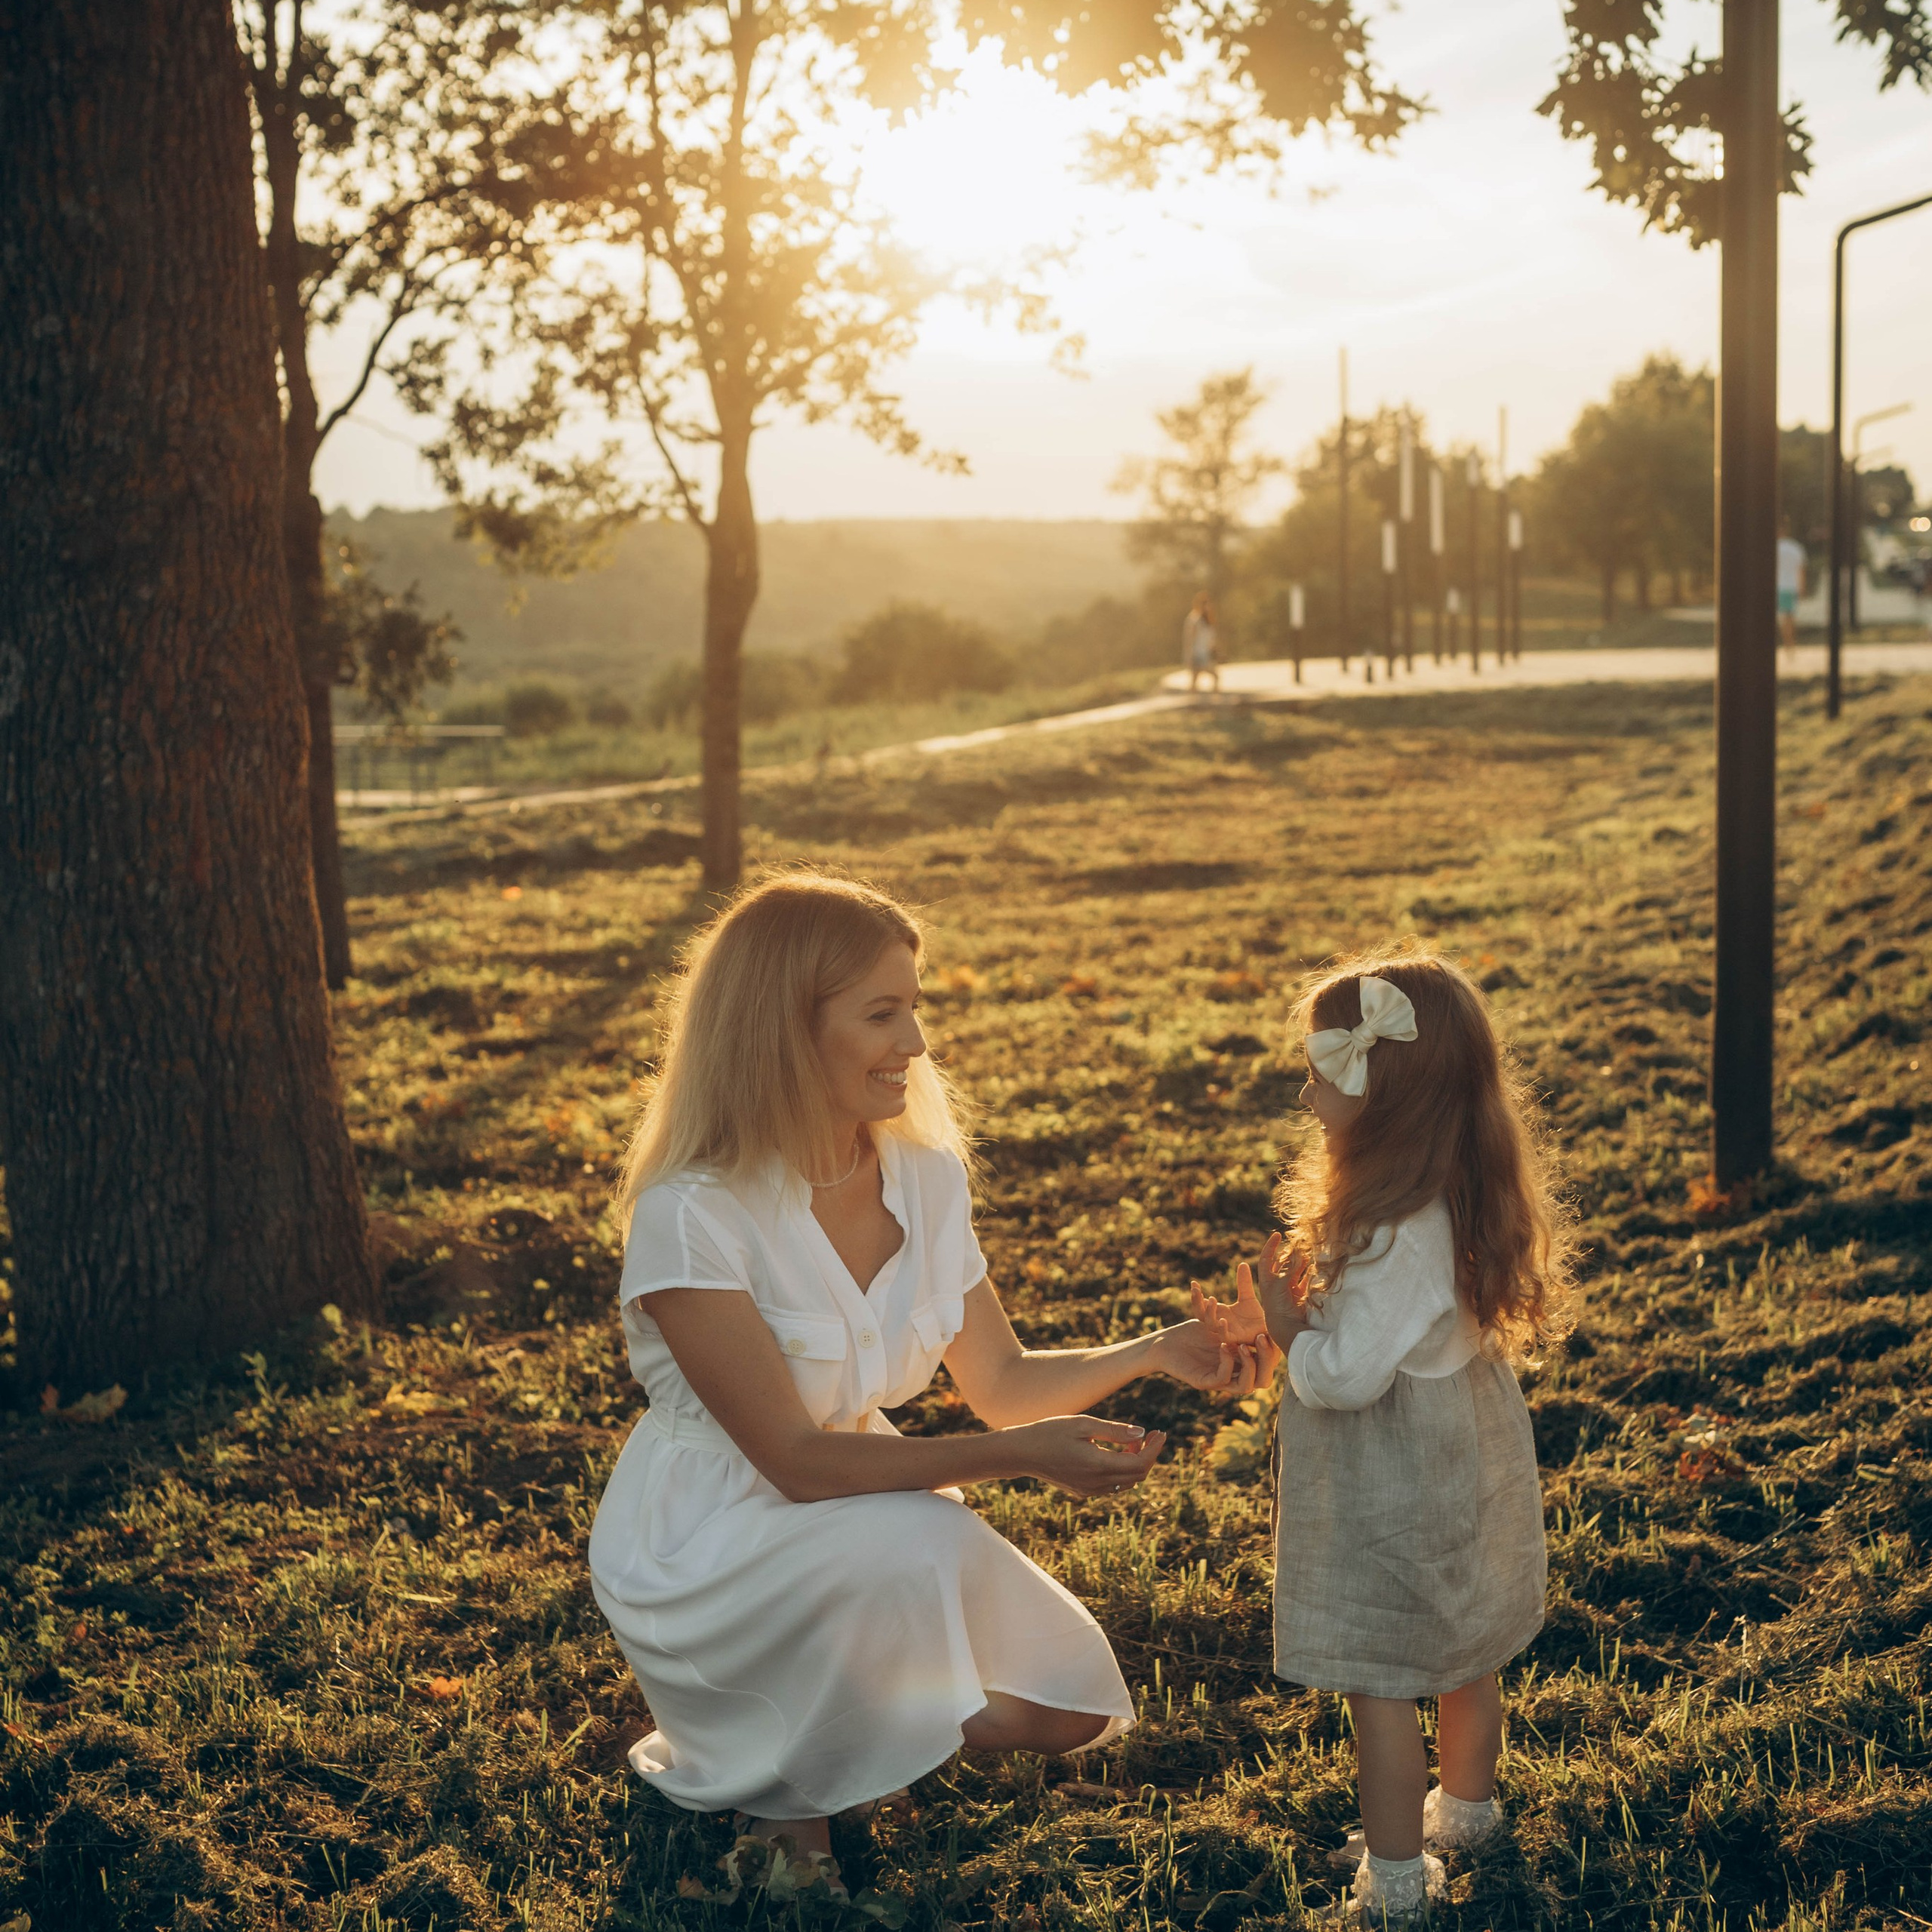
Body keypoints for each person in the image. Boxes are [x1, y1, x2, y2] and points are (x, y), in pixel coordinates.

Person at [588, 872, 1270, 1882]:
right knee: (920, 1534)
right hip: (709, 1536)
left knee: (1071, 1708)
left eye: (916, 1008)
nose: (914, 1043)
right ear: (783, 1029)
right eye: (881, 1013)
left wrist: (1156, 1351)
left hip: (872, 1510)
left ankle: (857, 1720)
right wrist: (1020, 1461)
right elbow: (793, 1461)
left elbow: (999, 1379)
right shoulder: (695, 1213)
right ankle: (787, 1814)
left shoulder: (924, 1175)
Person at [1193, 949, 1573, 1924]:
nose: (1309, 1090)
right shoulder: (1445, 1194)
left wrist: (1290, 1334)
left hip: (1398, 1477)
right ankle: (1470, 1815)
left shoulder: (1400, 1224)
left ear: (1381, 1086)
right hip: (1460, 1454)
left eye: (1322, 1071)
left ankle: (1397, 1884)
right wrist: (1302, 1319)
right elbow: (1388, 1332)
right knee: (1463, 1653)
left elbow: (1349, 1375)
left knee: (1385, 1682)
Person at [1181, 592, 1221, 693]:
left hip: (1204, 654)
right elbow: (1189, 640)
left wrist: (1216, 651)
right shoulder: (1195, 620)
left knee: (1195, 683)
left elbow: (1211, 639)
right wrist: (1189, 657)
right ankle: (1209, 702)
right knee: (1214, 677)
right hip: (1197, 656)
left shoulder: (1207, 620)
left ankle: (1194, 702)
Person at [1777, 527, 1807, 659]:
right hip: (1791, 587)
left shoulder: (1773, 548)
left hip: (1778, 586)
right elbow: (1801, 570)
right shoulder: (1795, 548)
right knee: (1790, 618)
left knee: (1783, 619)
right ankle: (1790, 646)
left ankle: (1787, 646)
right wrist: (1802, 588)